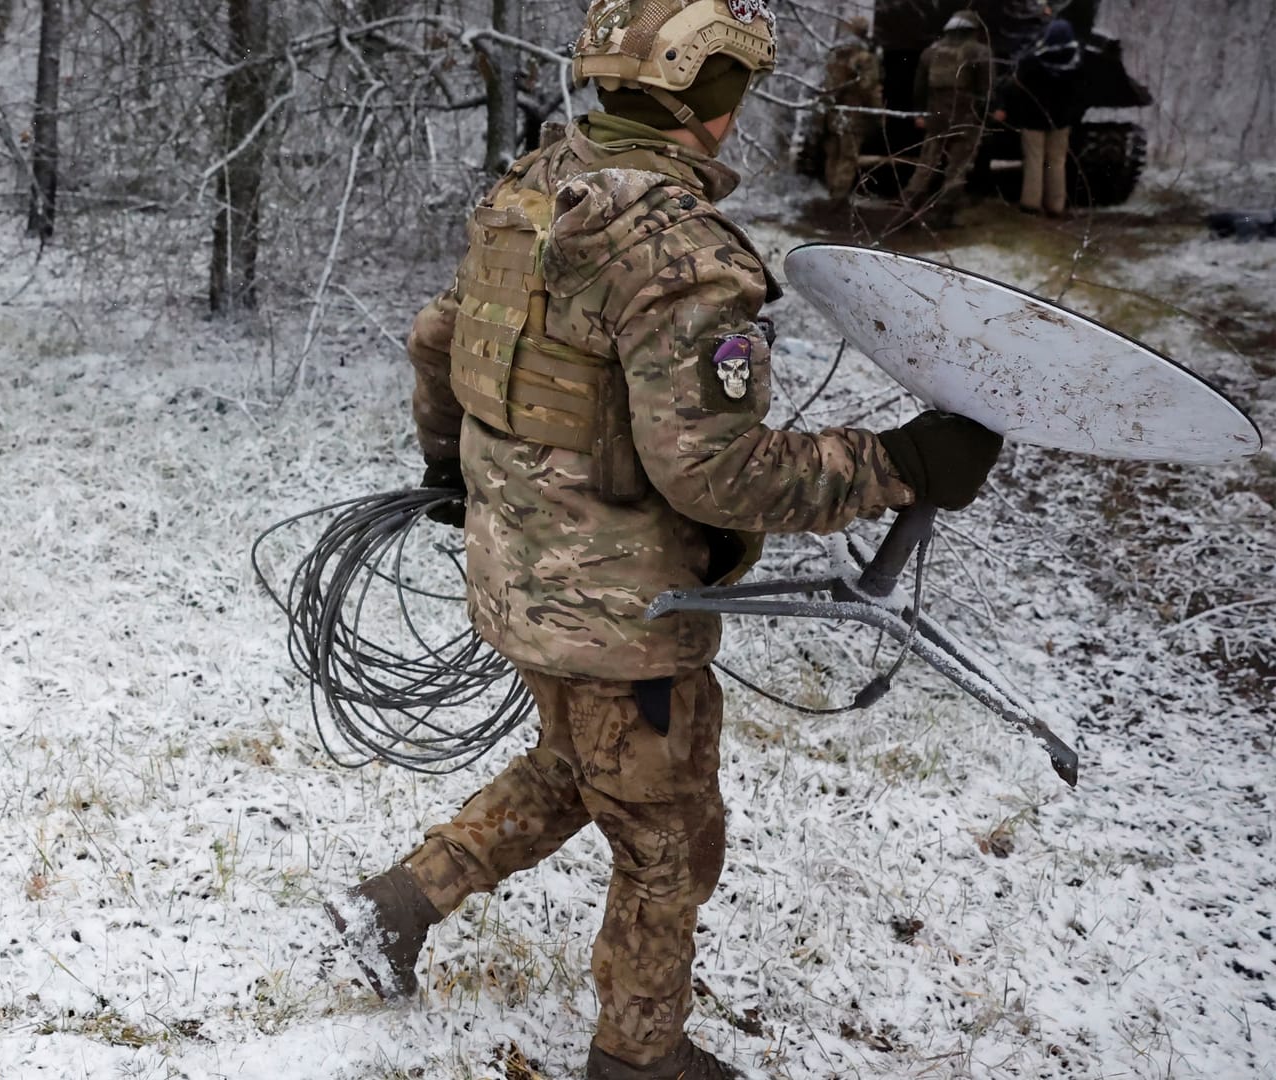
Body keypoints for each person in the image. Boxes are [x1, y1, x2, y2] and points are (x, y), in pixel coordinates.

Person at [324, 2, 1005, 1078]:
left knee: (574, 765)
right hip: (623, 618)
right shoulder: (680, 254)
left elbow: (435, 341)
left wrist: (448, 469)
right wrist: (897, 466)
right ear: (713, 104)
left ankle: (400, 903)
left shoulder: (532, 189)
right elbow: (713, 470)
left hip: (521, 579)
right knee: (669, 839)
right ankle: (638, 1059)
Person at [900, 10, 995, 223]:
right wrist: (983, 116)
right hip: (965, 120)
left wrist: (920, 113)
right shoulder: (980, 52)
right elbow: (986, 90)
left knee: (925, 167)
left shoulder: (930, 52)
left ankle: (905, 211)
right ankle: (944, 215)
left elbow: (919, 89)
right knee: (957, 169)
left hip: (936, 119)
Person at [1001, 5, 1085, 217]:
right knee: (1057, 162)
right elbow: (1079, 93)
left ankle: (1031, 203)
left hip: (1033, 119)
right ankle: (1056, 205)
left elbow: (1016, 86)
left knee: (1034, 161)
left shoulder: (1032, 62)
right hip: (1061, 120)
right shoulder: (1076, 64)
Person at [822, 15, 883, 200]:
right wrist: (878, 113)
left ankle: (830, 191)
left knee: (833, 154)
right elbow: (868, 87)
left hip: (833, 112)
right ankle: (838, 198)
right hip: (854, 113)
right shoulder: (864, 57)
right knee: (848, 157)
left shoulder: (836, 54)